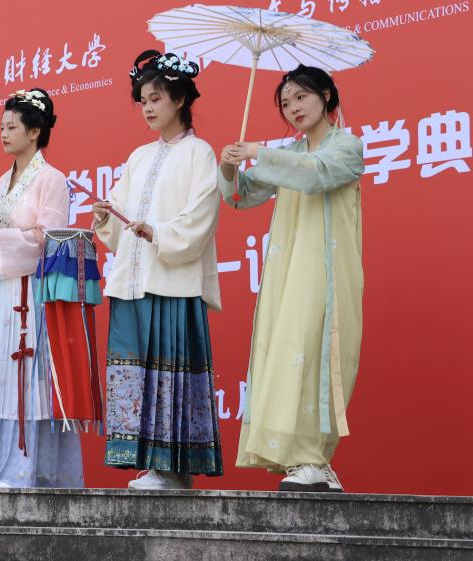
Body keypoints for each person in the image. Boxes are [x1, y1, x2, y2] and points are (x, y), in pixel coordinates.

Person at [219, 65, 364, 493]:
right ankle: (304, 461)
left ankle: (315, 458)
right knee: (288, 351)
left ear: (325, 95)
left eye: (301, 96)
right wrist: (229, 168)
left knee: (318, 349)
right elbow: (241, 196)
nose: (293, 107)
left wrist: (259, 152)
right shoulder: (288, 152)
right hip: (288, 270)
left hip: (327, 270)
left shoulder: (346, 147)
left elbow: (314, 173)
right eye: (285, 102)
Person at [94, 51, 223, 490]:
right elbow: (118, 220)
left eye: (156, 98)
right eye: (143, 100)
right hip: (133, 282)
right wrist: (106, 216)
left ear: (180, 99)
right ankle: (155, 465)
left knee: (169, 373)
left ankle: (171, 467)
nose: (147, 107)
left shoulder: (200, 153)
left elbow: (201, 216)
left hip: (172, 281)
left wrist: (159, 232)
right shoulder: (138, 156)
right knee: (137, 371)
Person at [0, 88, 83, 488]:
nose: (4, 133)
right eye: (2, 127)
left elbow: (48, 239)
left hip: (30, 294)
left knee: (26, 376)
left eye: (12, 126)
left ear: (34, 132)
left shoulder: (51, 180)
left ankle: (24, 470)